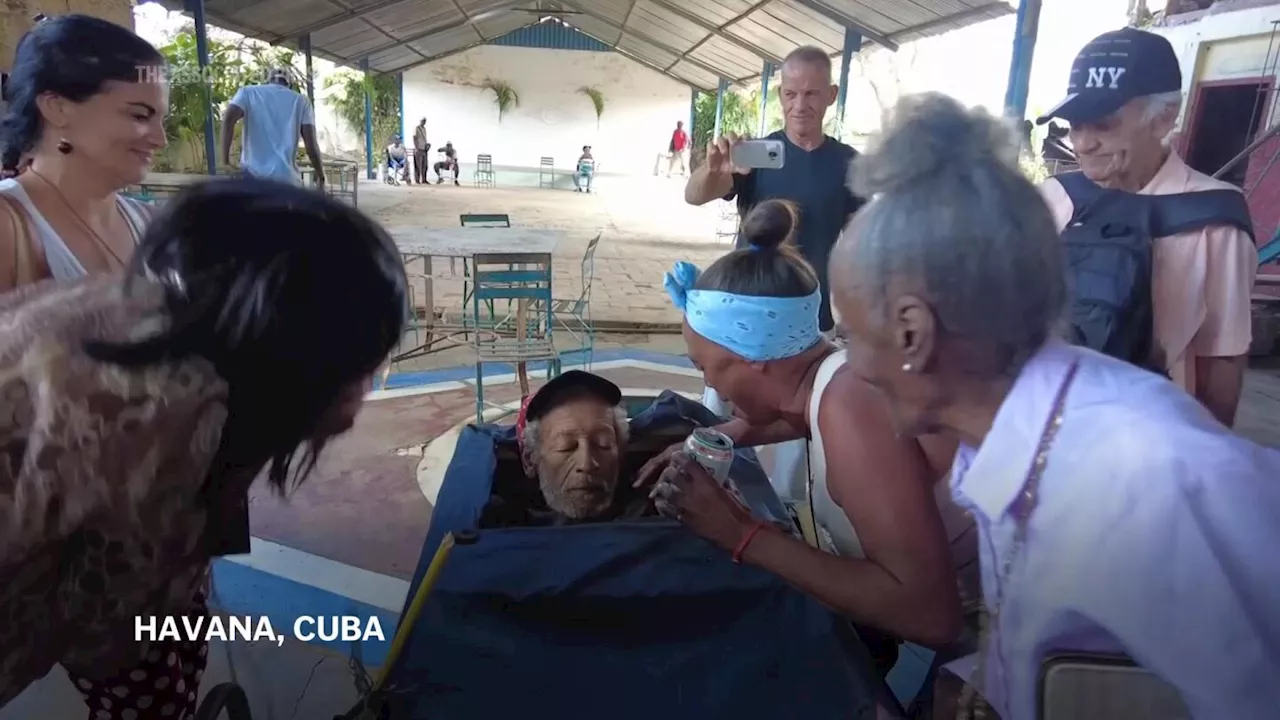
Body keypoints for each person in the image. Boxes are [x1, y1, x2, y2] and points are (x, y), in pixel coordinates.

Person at [831, 91, 1280, 720]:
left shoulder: (1154, 485)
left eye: (849, 332)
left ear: (912, 333)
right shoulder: (1012, 436)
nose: (848, 361)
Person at [0, 177, 407, 716]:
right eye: (361, 359)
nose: (368, 385)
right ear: (296, 343)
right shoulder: (167, 427)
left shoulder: (139, 318)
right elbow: (110, 639)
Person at [641, 199, 965, 678]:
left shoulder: (852, 408)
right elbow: (794, 415)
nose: (712, 386)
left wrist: (741, 533)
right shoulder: (833, 375)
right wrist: (711, 437)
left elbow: (931, 615)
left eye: (706, 367)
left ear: (751, 357)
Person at [1036, 27, 1258, 427]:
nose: (1083, 143)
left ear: (1163, 119)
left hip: (1149, 437)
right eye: (1075, 125)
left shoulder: (1215, 219)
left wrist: (1200, 464)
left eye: (1103, 124)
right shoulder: (1053, 198)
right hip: (1044, 421)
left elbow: (1223, 361)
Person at [682, 44, 866, 495]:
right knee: (716, 407)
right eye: (789, 94)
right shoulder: (753, 154)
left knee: (800, 426)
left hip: (805, 317)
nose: (799, 105)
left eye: (811, 94)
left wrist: (858, 315)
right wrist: (714, 168)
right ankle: (698, 489)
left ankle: (786, 510)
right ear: (780, 95)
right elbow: (696, 195)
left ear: (831, 95)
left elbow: (863, 240)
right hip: (739, 315)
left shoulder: (849, 164)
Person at [0, 14, 162, 295]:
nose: (160, 139)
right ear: (57, 108)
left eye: (162, 120)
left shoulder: (149, 223)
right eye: (139, 115)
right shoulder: (10, 228)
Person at [480, 371, 653, 527]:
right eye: (566, 447)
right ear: (529, 460)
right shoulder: (497, 524)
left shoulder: (652, 512)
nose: (586, 464)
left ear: (620, 453)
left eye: (603, 444)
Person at [220, 67, 324, 189]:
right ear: (289, 83)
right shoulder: (301, 101)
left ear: (268, 80)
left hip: (253, 179)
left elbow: (228, 119)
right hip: (286, 181)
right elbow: (310, 144)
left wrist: (225, 162)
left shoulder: (248, 93)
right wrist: (320, 174)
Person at [412, 117, 430, 184]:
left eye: (425, 121)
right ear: (420, 121)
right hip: (418, 148)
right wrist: (416, 147)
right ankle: (417, 180)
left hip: (424, 149)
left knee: (424, 165)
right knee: (418, 165)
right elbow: (414, 138)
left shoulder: (424, 129)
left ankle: (424, 179)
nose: (424, 122)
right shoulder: (417, 128)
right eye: (423, 121)